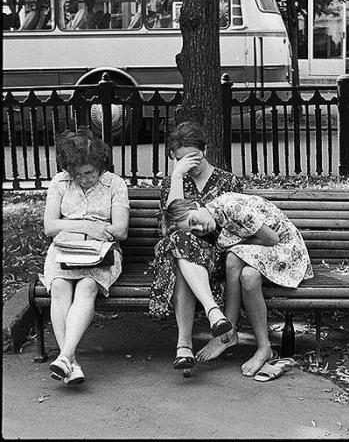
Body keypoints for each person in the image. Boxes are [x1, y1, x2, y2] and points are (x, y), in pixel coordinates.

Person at [163, 192, 314, 377]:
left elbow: (272, 239)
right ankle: (263, 348)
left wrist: (237, 246)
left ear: (196, 204)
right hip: (263, 255)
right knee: (248, 276)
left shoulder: (232, 207)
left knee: (233, 257)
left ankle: (228, 332)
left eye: (194, 220)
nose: (200, 228)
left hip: (287, 249)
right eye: (193, 230)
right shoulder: (215, 222)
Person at [149, 121, 243, 372]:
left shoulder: (227, 181)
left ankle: (184, 345)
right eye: (180, 159)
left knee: (183, 254)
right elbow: (169, 230)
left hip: (218, 257)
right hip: (178, 255)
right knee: (181, 246)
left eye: (193, 157)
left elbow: (236, 231)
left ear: (206, 150)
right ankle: (212, 315)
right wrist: (177, 176)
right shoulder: (173, 182)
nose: (189, 164)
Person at [42, 130, 130, 385]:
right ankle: (71, 362)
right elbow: (49, 226)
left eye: (90, 173)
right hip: (65, 250)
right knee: (59, 287)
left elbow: (120, 230)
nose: (84, 179)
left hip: (100, 252)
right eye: (77, 174)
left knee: (87, 286)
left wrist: (92, 231)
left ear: (100, 167)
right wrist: (85, 226)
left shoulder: (115, 184)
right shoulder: (60, 182)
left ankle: (65, 355)